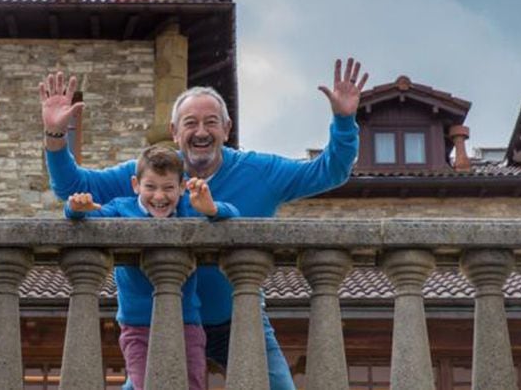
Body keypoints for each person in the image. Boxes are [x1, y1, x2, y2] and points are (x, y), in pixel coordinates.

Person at [40, 58, 368, 389]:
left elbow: (330, 171)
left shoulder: (260, 172)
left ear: (226, 129)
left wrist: (344, 121)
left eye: (211, 122)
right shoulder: (153, 177)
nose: (201, 132)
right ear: (174, 132)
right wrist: (56, 135)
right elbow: (71, 187)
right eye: (190, 123)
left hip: (239, 317)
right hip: (164, 319)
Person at [65, 145, 239, 390]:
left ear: (181, 186)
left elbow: (233, 212)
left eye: (168, 188)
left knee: (192, 384)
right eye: (150, 187)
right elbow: (87, 216)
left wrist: (210, 209)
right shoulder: (120, 208)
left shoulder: (189, 208)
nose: (159, 196)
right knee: (145, 385)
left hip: (186, 321)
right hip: (137, 326)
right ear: (136, 184)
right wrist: (75, 208)